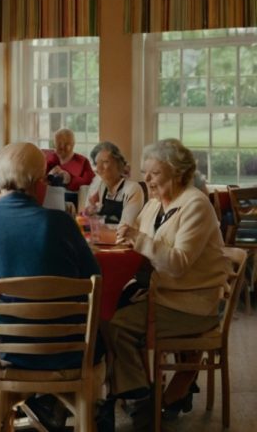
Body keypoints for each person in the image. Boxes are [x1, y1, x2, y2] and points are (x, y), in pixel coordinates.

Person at [0, 142, 101, 432]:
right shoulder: (64, 225)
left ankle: (10, 414)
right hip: (66, 353)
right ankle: (57, 405)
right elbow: (93, 282)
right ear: (38, 184)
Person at [103, 139, 227, 427]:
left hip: (190, 303)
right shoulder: (156, 204)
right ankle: (140, 395)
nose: (146, 179)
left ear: (178, 173)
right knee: (106, 314)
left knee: (114, 324)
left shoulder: (195, 206)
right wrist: (126, 235)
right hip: (162, 295)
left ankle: (142, 402)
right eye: (145, 172)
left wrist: (139, 240)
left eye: (154, 173)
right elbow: (141, 240)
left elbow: (178, 263)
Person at [85, 141, 145, 226]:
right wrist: (92, 212)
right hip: (104, 236)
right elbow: (94, 215)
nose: (99, 168)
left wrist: (98, 222)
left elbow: (126, 227)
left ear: (118, 164)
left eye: (105, 162)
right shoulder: (102, 186)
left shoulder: (133, 189)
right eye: (97, 163)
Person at [45, 128, 95, 192]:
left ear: (72, 145)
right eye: (58, 144)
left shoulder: (83, 161)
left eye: (66, 144)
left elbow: (90, 183)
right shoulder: (50, 159)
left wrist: (69, 179)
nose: (61, 147)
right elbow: (40, 179)